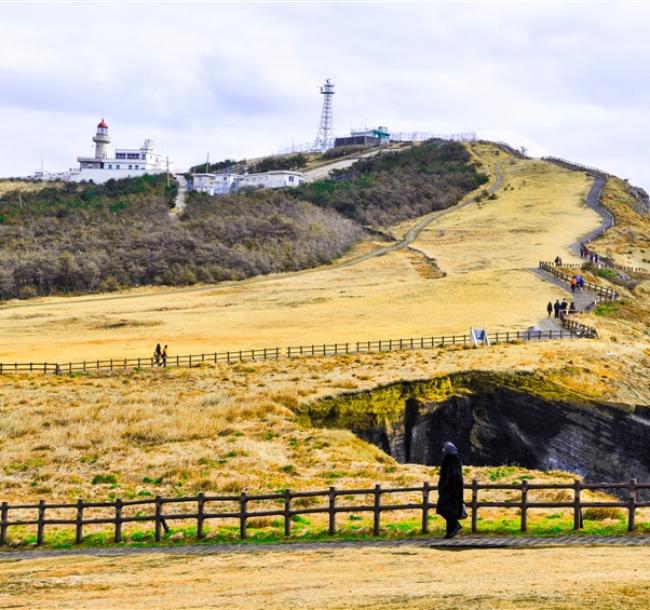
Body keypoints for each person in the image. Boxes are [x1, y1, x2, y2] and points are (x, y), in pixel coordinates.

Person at [437, 442, 466, 539]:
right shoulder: (456, 460)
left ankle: (455, 525)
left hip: (449, 490)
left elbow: (448, 476)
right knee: (449, 511)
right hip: (454, 490)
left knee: (443, 509)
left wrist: (442, 487)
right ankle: (450, 531)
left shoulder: (449, 460)